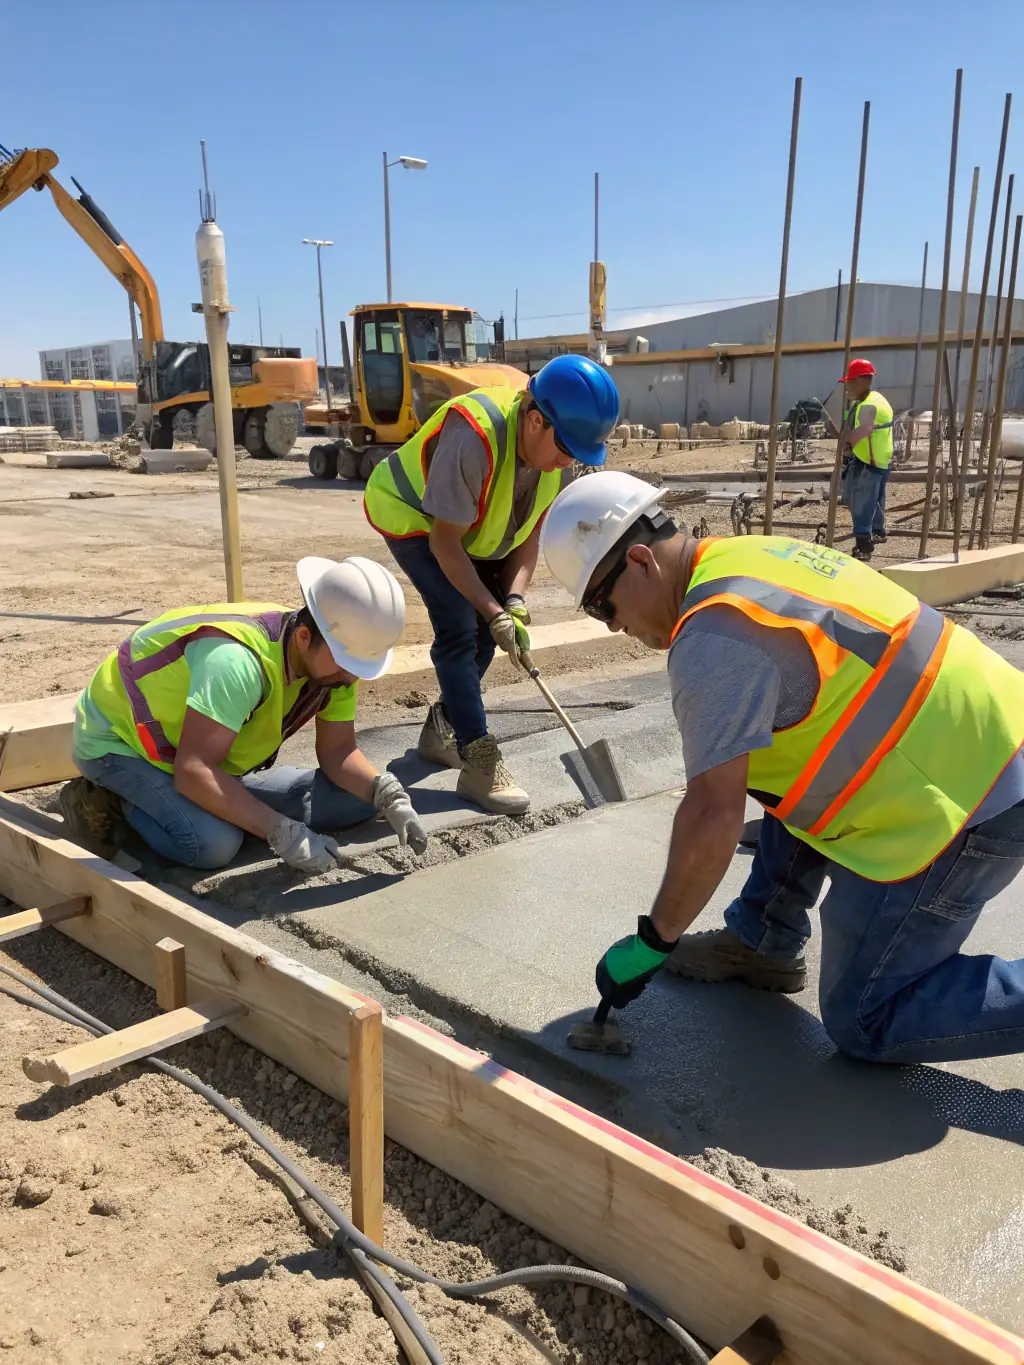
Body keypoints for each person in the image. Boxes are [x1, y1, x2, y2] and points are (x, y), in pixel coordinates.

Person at [540, 471, 1024, 1064]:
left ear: (640, 561)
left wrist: (653, 940)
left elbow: (713, 815)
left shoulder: (714, 642)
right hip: (984, 730)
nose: (611, 624)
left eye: (600, 605)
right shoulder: (742, 559)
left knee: (865, 1017)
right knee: (775, 757)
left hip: (973, 796)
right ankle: (762, 940)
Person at [364, 354, 619, 814]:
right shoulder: (473, 438)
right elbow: (445, 544)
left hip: (468, 533)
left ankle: (443, 728)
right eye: (566, 449)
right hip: (415, 519)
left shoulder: (556, 456)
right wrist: (492, 610)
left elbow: (527, 535)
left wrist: (513, 602)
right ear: (536, 421)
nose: (569, 462)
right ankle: (480, 760)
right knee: (461, 625)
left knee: (488, 627)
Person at [60, 557, 429, 874]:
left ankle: (225, 806)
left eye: (359, 666)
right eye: (347, 663)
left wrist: (385, 794)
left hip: (198, 753)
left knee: (354, 800)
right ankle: (112, 801)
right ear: (304, 636)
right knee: (212, 844)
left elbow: (338, 753)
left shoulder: (335, 664)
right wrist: (280, 830)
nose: (351, 677)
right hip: (121, 745)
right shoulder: (238, 663)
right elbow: (194, 770)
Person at [833, 358, 894, 561]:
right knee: (875, 500)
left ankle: (863, 546)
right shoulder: (876, 398)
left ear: (863, 381)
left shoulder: (868, 406)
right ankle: (878, 532)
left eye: (850, 382)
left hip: (869, 461)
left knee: (861, 503)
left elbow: (863, 431)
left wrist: (846, 436)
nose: (848, 387)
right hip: (880, 460)